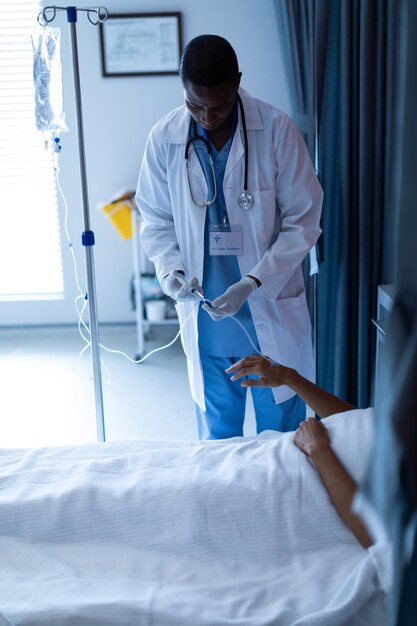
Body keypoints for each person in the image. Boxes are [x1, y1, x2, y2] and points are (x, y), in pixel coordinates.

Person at [136, 34, 323, 440]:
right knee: (217, 443)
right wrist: (170, 271)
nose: (205, 116)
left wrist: (253, 281)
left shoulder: (276, 129)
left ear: (237, 82)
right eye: (194, 104)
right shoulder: (164, 138)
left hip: (267, 303)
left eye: (217, 105)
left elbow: (303, 221)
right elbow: (154, 220)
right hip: (206, 315)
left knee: (283, 440)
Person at [226, 354, 374, 548]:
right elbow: (359, 419)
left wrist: (318, 449)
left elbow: (375, 537)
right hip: (286, 450)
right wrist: (289, 377)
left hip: (300, 479)